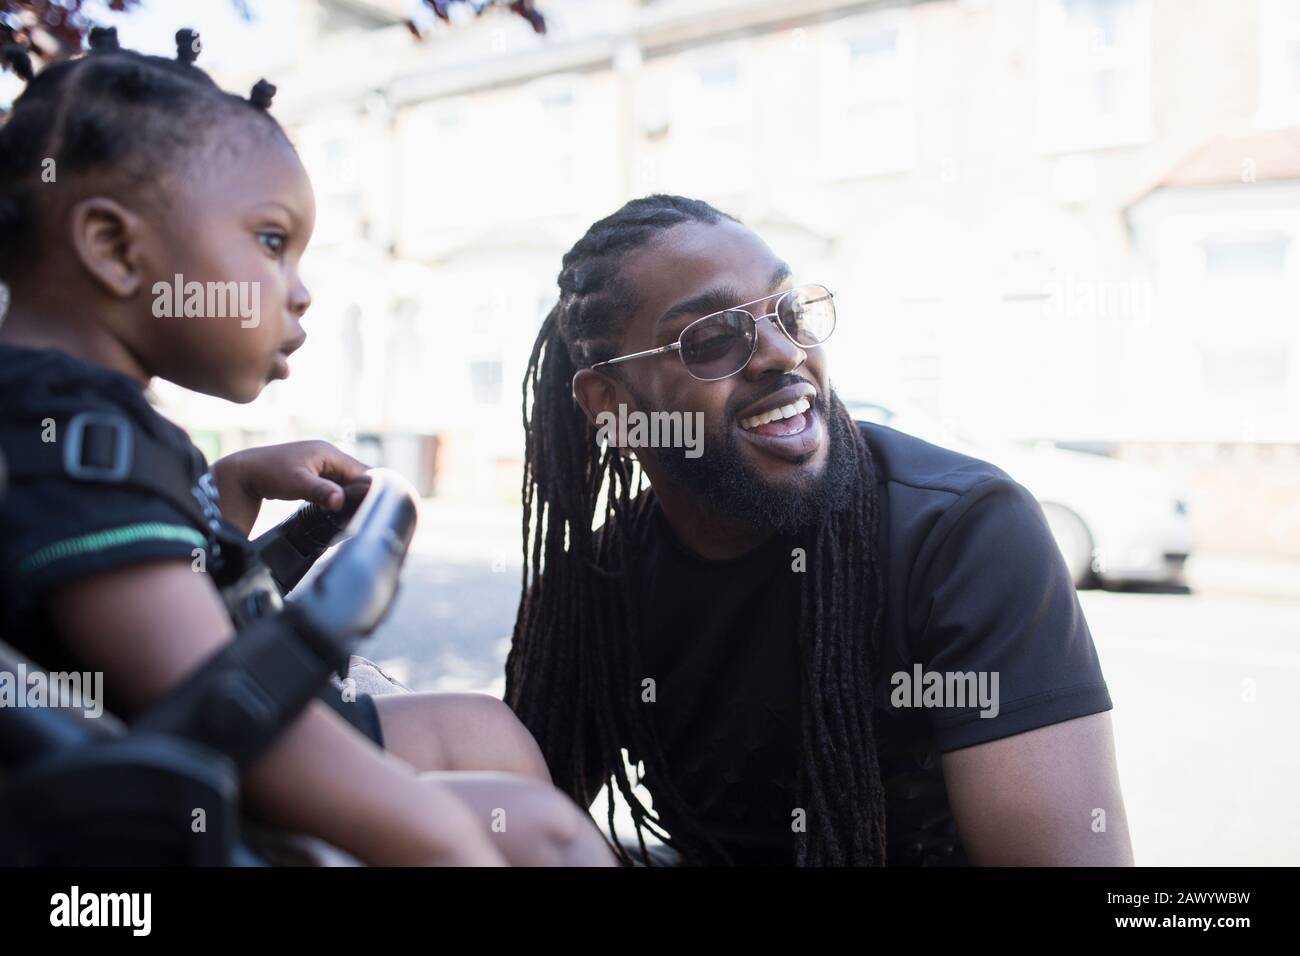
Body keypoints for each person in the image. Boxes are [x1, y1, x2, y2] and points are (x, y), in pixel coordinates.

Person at [0, 27, 615, 866]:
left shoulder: (63, 420)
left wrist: (235, 486)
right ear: (113, 248)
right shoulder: (78, 438)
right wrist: (446, 842)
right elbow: (220, 702)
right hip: (153, 806)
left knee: (483, 728)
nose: (300, 291)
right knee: (539, 832)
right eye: (269, 241)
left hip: (155, 745)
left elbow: (138, 603)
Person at [506, 194, 1134, 866]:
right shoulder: (600, 585)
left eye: (790, 312)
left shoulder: (963, 536)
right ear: (614, 405)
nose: (782, 354)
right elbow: (515, 824)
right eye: (716, 336)